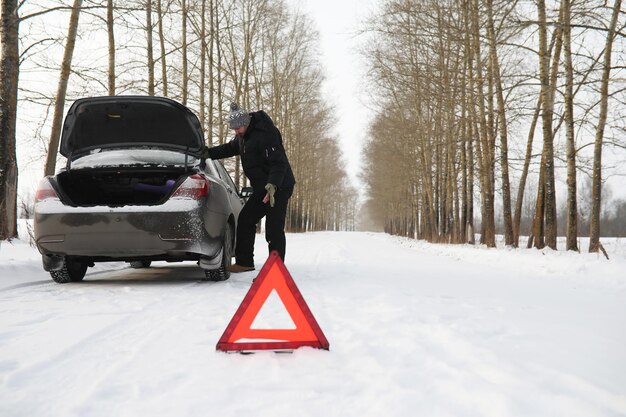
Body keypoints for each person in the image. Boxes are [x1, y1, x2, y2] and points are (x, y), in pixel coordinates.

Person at [202, 102, 296, 273]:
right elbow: (229, 148)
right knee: (246, 220)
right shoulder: (242, 138)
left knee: (273, 228)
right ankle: (245, 262)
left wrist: (273, 185)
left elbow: (279, 163)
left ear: (247, 122)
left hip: (279, 186)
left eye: (238, 128)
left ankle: (275, 271)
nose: (236, 132)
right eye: (235, 129)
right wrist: (207, 153)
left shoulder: (267, 133)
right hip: (262, 187)